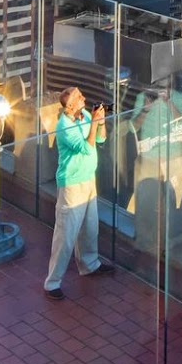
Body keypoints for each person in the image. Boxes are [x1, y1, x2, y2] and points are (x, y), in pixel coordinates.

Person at [44, 87, 114, 299]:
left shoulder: (83, 115)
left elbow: (100, 139)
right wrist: (94, 123)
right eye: (78, 96)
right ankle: (52, 282)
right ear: (70, 105)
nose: (83, 97)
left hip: (88, 178)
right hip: (72, 184)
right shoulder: (64, 126)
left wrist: (100, 122)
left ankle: (89, 264)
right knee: (66, 233)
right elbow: (87, 146)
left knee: (89, 226)